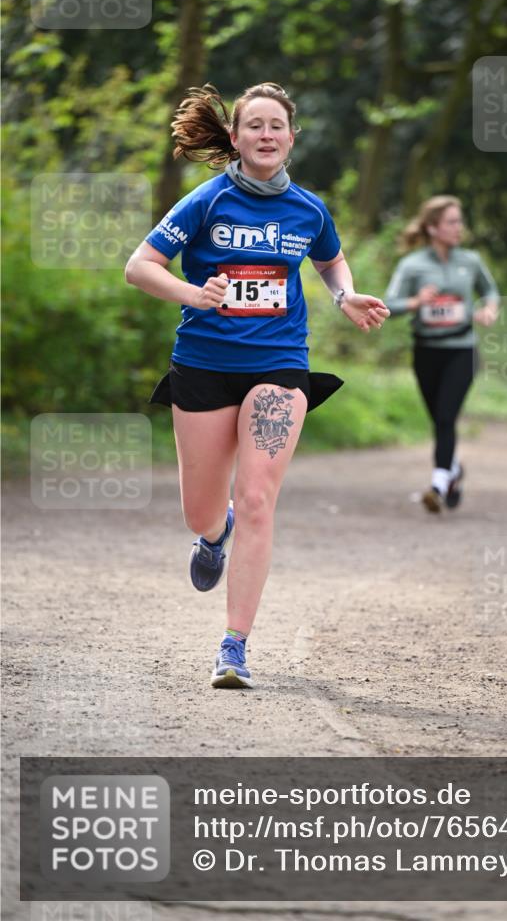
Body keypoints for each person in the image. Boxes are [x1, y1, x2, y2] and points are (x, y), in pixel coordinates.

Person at [125, 82, 389, 689]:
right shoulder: (206, 201)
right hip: (204, 361)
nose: (267, 135)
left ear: (292, 137)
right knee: (201, 510)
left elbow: (329, 258)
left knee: (258, 498)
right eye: (255, 126)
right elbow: (139, 266)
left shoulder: (308, 209)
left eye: (277, 125)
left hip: (278, 362)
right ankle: (213, 535)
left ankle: (233, 646)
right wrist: (194, 294)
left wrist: (344, 296)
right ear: (237, 137)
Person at [383, 195, 499, 513]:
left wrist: (489, 308)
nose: (459, 227)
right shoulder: (412, 265)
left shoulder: (471, 261)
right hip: (426, 351)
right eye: (451, 221)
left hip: (462, 350)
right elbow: (388, 304)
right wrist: (416, 302)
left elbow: (490, 290)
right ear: (433, 228)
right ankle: (454, 469)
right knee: (439, 420)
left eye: (460, 221)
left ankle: (437, 484)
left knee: (447, 416)